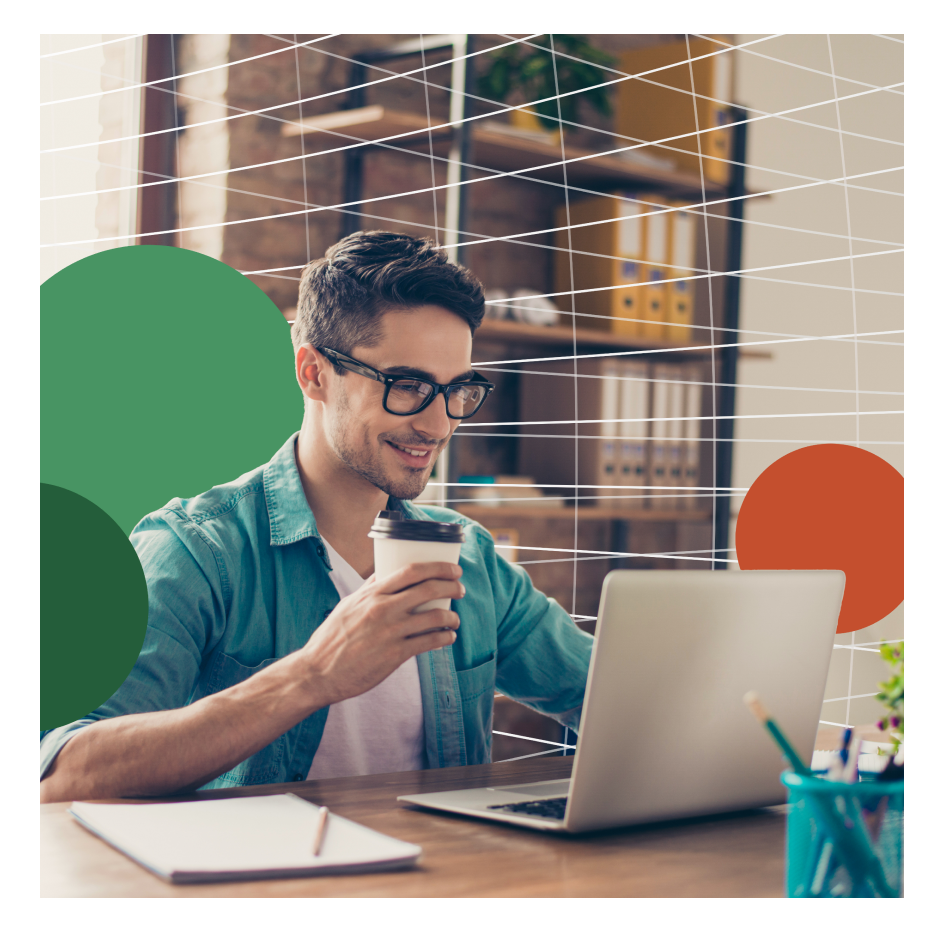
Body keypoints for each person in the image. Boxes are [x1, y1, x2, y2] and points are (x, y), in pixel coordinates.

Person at [39, 232, 594, 802]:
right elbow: (64, 774)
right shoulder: (197, 552)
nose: (438, 424)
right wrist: (311, 675)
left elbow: (609, 698)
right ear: (314, 374)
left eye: (457, 391)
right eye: (408, 387)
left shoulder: (471, 559)